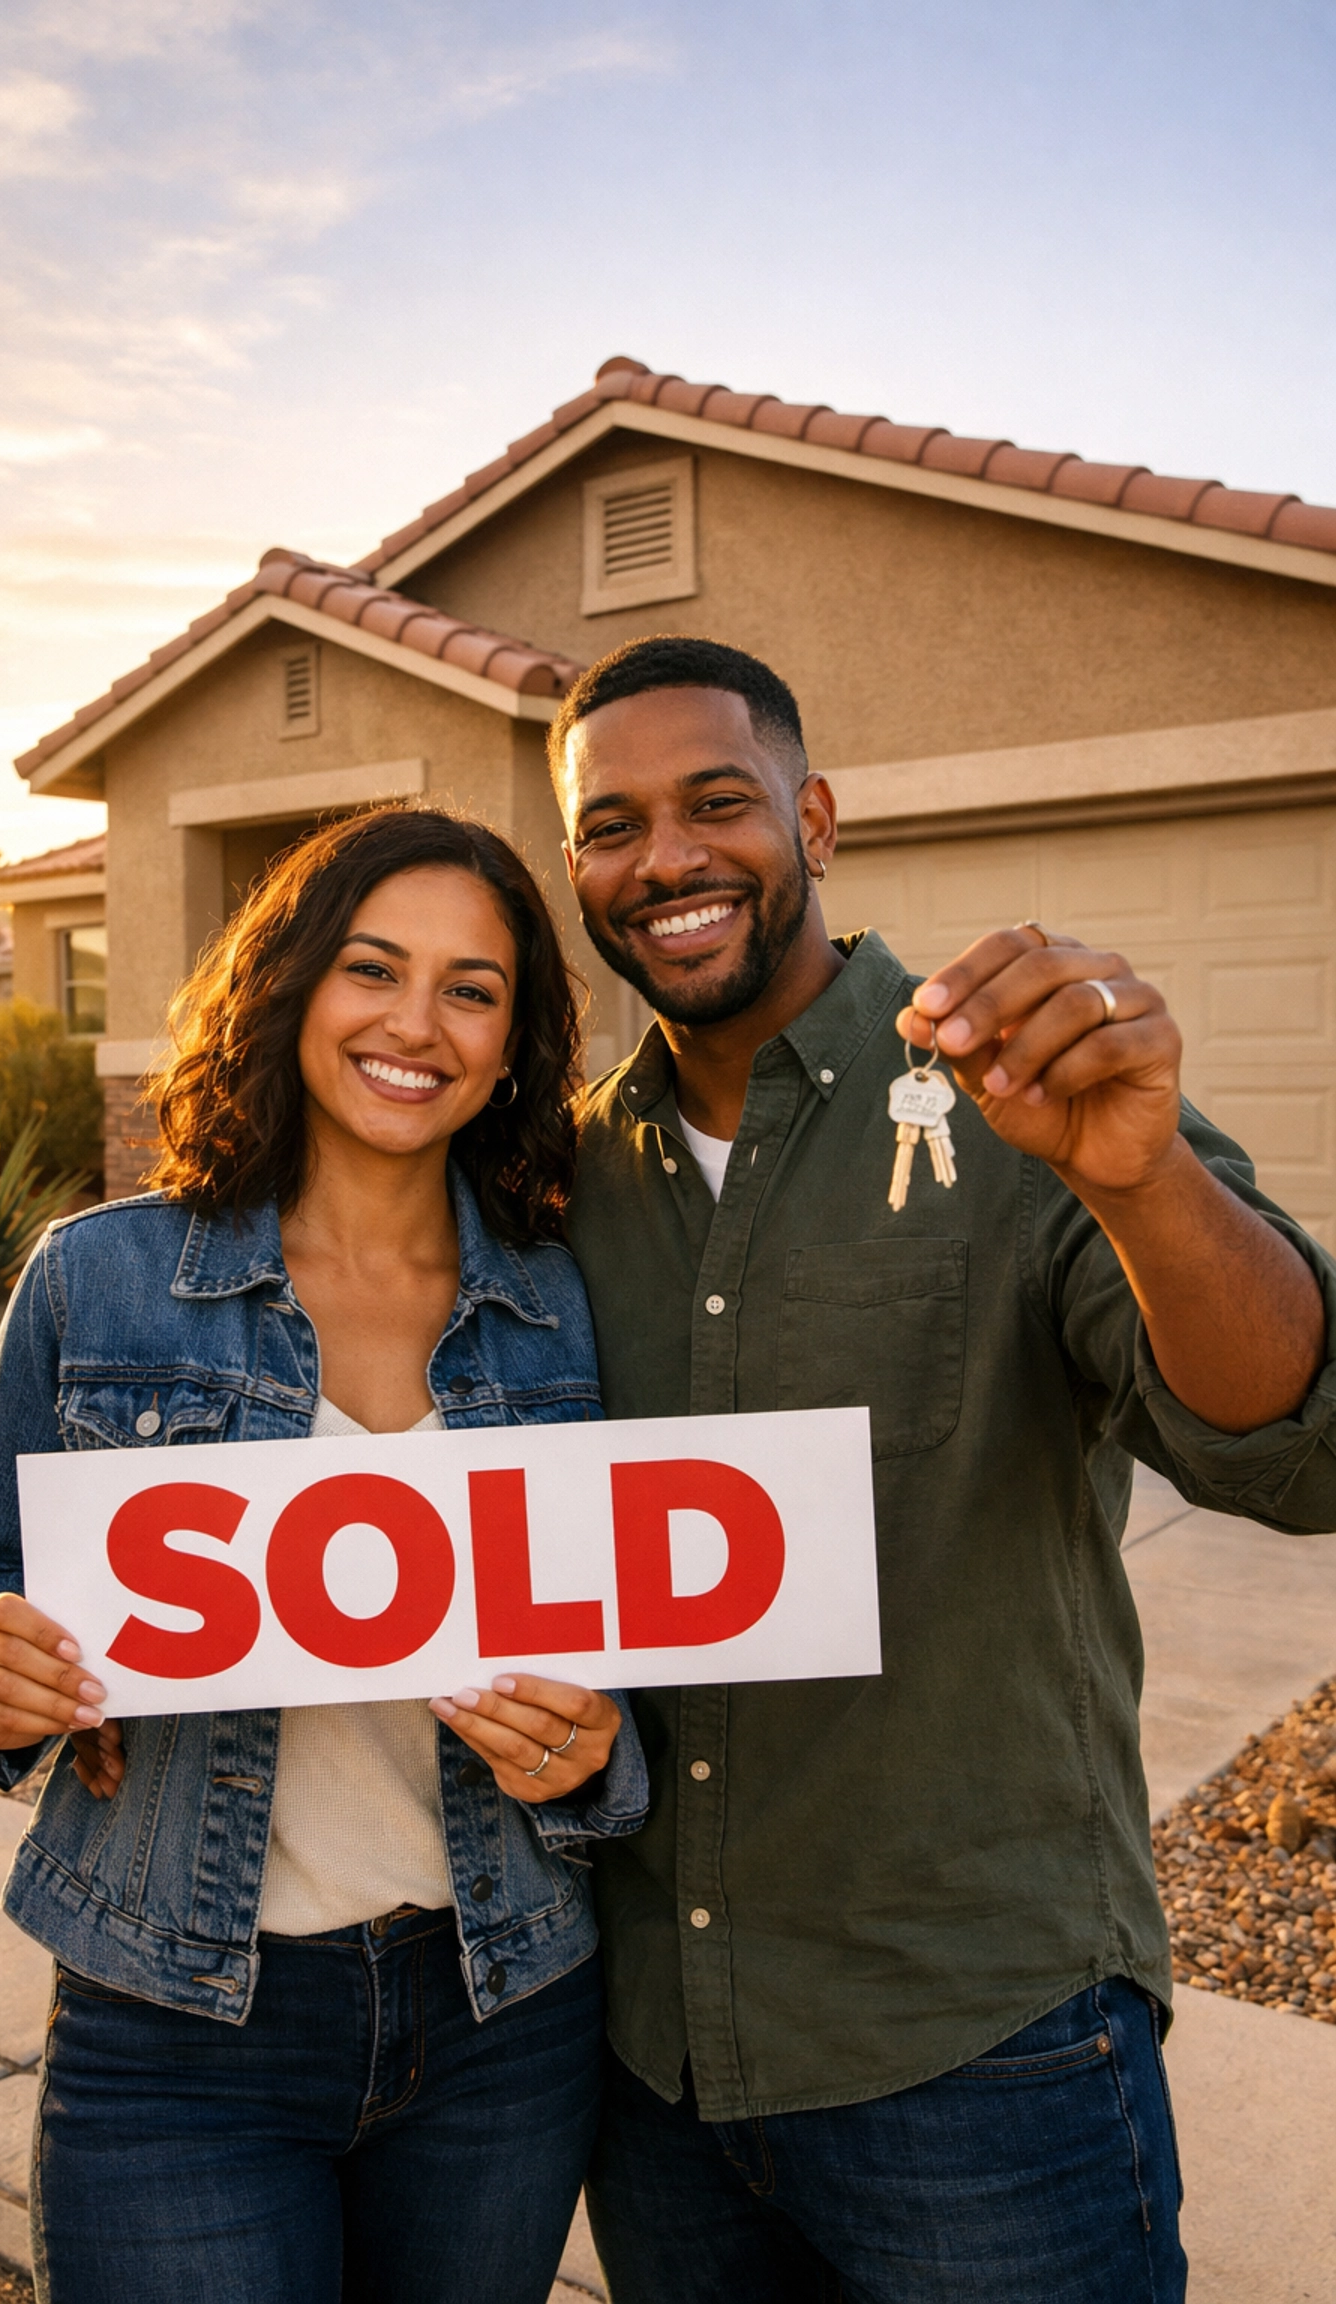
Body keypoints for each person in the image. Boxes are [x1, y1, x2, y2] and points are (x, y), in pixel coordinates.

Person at [549, 634, 1336, 2304]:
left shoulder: (1017, 1089)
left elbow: (1293, 1451)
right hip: (656, 2064)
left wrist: (1140, 1189)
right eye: (613, 826)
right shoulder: (562, 1176)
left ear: (814, 819)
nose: (667, 857)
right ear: (578, 872)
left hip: (982, 2052)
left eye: (716, 803)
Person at [0, 807, 647, 2304]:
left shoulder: (568, 1309)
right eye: (372, 969)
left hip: (502, 2017)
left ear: (513, 1043)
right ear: (294, 987)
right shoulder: (101, 1279)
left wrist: (595, 1756)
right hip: (177, 2020)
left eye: (472, 988)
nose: (415, 1023)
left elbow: (643, 1665)